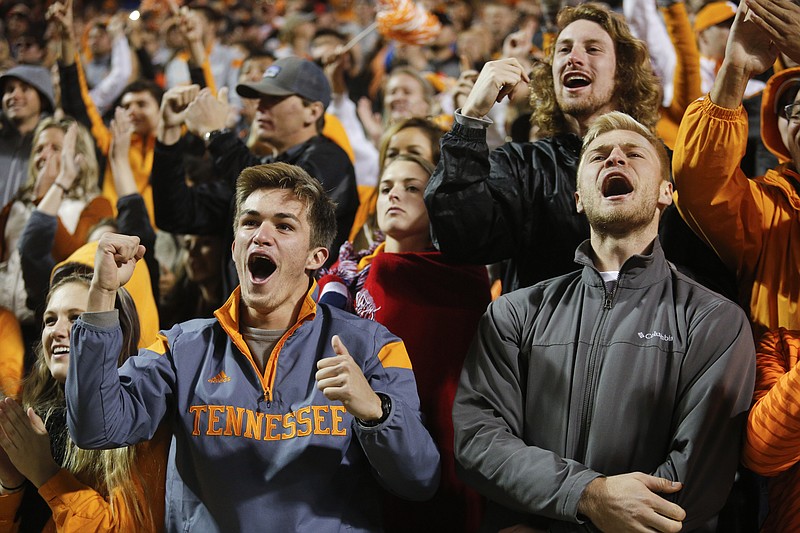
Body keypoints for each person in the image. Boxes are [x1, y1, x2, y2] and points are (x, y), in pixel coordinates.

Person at [66, 163, 440, 532]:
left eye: (284, 225)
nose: (261, 235)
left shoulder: (371, 346)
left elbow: (420, 480)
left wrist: (375, 412)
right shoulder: (181, 347)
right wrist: (102, 294)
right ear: (234, 247)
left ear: (316, 257)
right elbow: (97, 428)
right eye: (250, 222)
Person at [453, 111, 756, 531]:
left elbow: (698, 478)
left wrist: (582, 508)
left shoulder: (715, 320)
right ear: (578, 197)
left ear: (666, 192)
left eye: (634, 153)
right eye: (598, 156)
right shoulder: (514, 312)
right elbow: (479, 441)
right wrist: (586, 495)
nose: (615, 159)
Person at [424, 2, 661, 292]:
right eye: (563, 49)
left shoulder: (659, 166)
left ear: (622, 73)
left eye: (592, 49)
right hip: (539, 336)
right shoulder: (521, 164)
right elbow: (459, 238)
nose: (573, 58)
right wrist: (471, 116)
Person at [319, 154, 490, 532]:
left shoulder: (458, 278)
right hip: (347, 447)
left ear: (436, 204)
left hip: (436, 449)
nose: (395, 195)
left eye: (411, 188)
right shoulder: (344, 275)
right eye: (386, 187)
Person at [152, 56, 358, 281]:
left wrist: (216, 134)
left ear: (313, 111)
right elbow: (176, 214)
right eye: (259, 98)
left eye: (274, 98)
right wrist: (168, 137)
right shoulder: (258, 165)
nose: (259, 106)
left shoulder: (330, 158)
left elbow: (278, 197)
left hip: (302, 314)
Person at [0, 271, 167, 532]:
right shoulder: (36, 421)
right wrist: (10, 484)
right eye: (50, 320)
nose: (56, 331)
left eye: (77, 318)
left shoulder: (142, 428)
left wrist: (45, 473)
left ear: (115, 334)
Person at [672, 3, 800, 339]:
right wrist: (735, 70)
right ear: (782, 132)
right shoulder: (767, 211)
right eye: (797, 109)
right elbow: (701, 184)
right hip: (776, 391)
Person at [0, 118, 112, 326]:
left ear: (79, 157)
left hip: (50, 322)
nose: (44, 156)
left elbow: (70, 264)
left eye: (55, 148)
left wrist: (45, 197)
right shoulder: (14, 206)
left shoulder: (95, 204)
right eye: (39, 148)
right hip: (5, 323)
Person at [0, 64, 55, 207]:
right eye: (9, 90)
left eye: (25, 89)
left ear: (42, 99)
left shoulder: (53, 145)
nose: (15, 95)